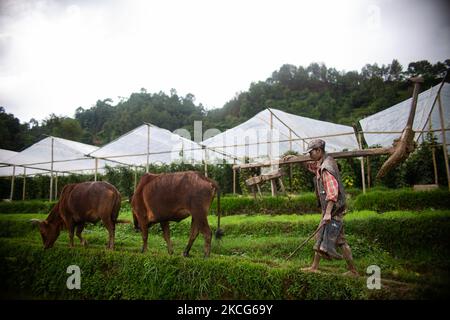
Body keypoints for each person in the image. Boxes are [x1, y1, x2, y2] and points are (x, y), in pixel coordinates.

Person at [287, 139, 358, 276]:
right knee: (327, 239)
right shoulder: (324, 162)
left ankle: (352, 270)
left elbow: (332, 193)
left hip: (333, 211)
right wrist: (295, 159)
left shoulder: (326, 168)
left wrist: (327, 213)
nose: (309, 155)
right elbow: (312, 167)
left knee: (335, 240)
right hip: (332, 210)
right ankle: (317, 266)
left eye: (311, 152)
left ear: (319, 150)